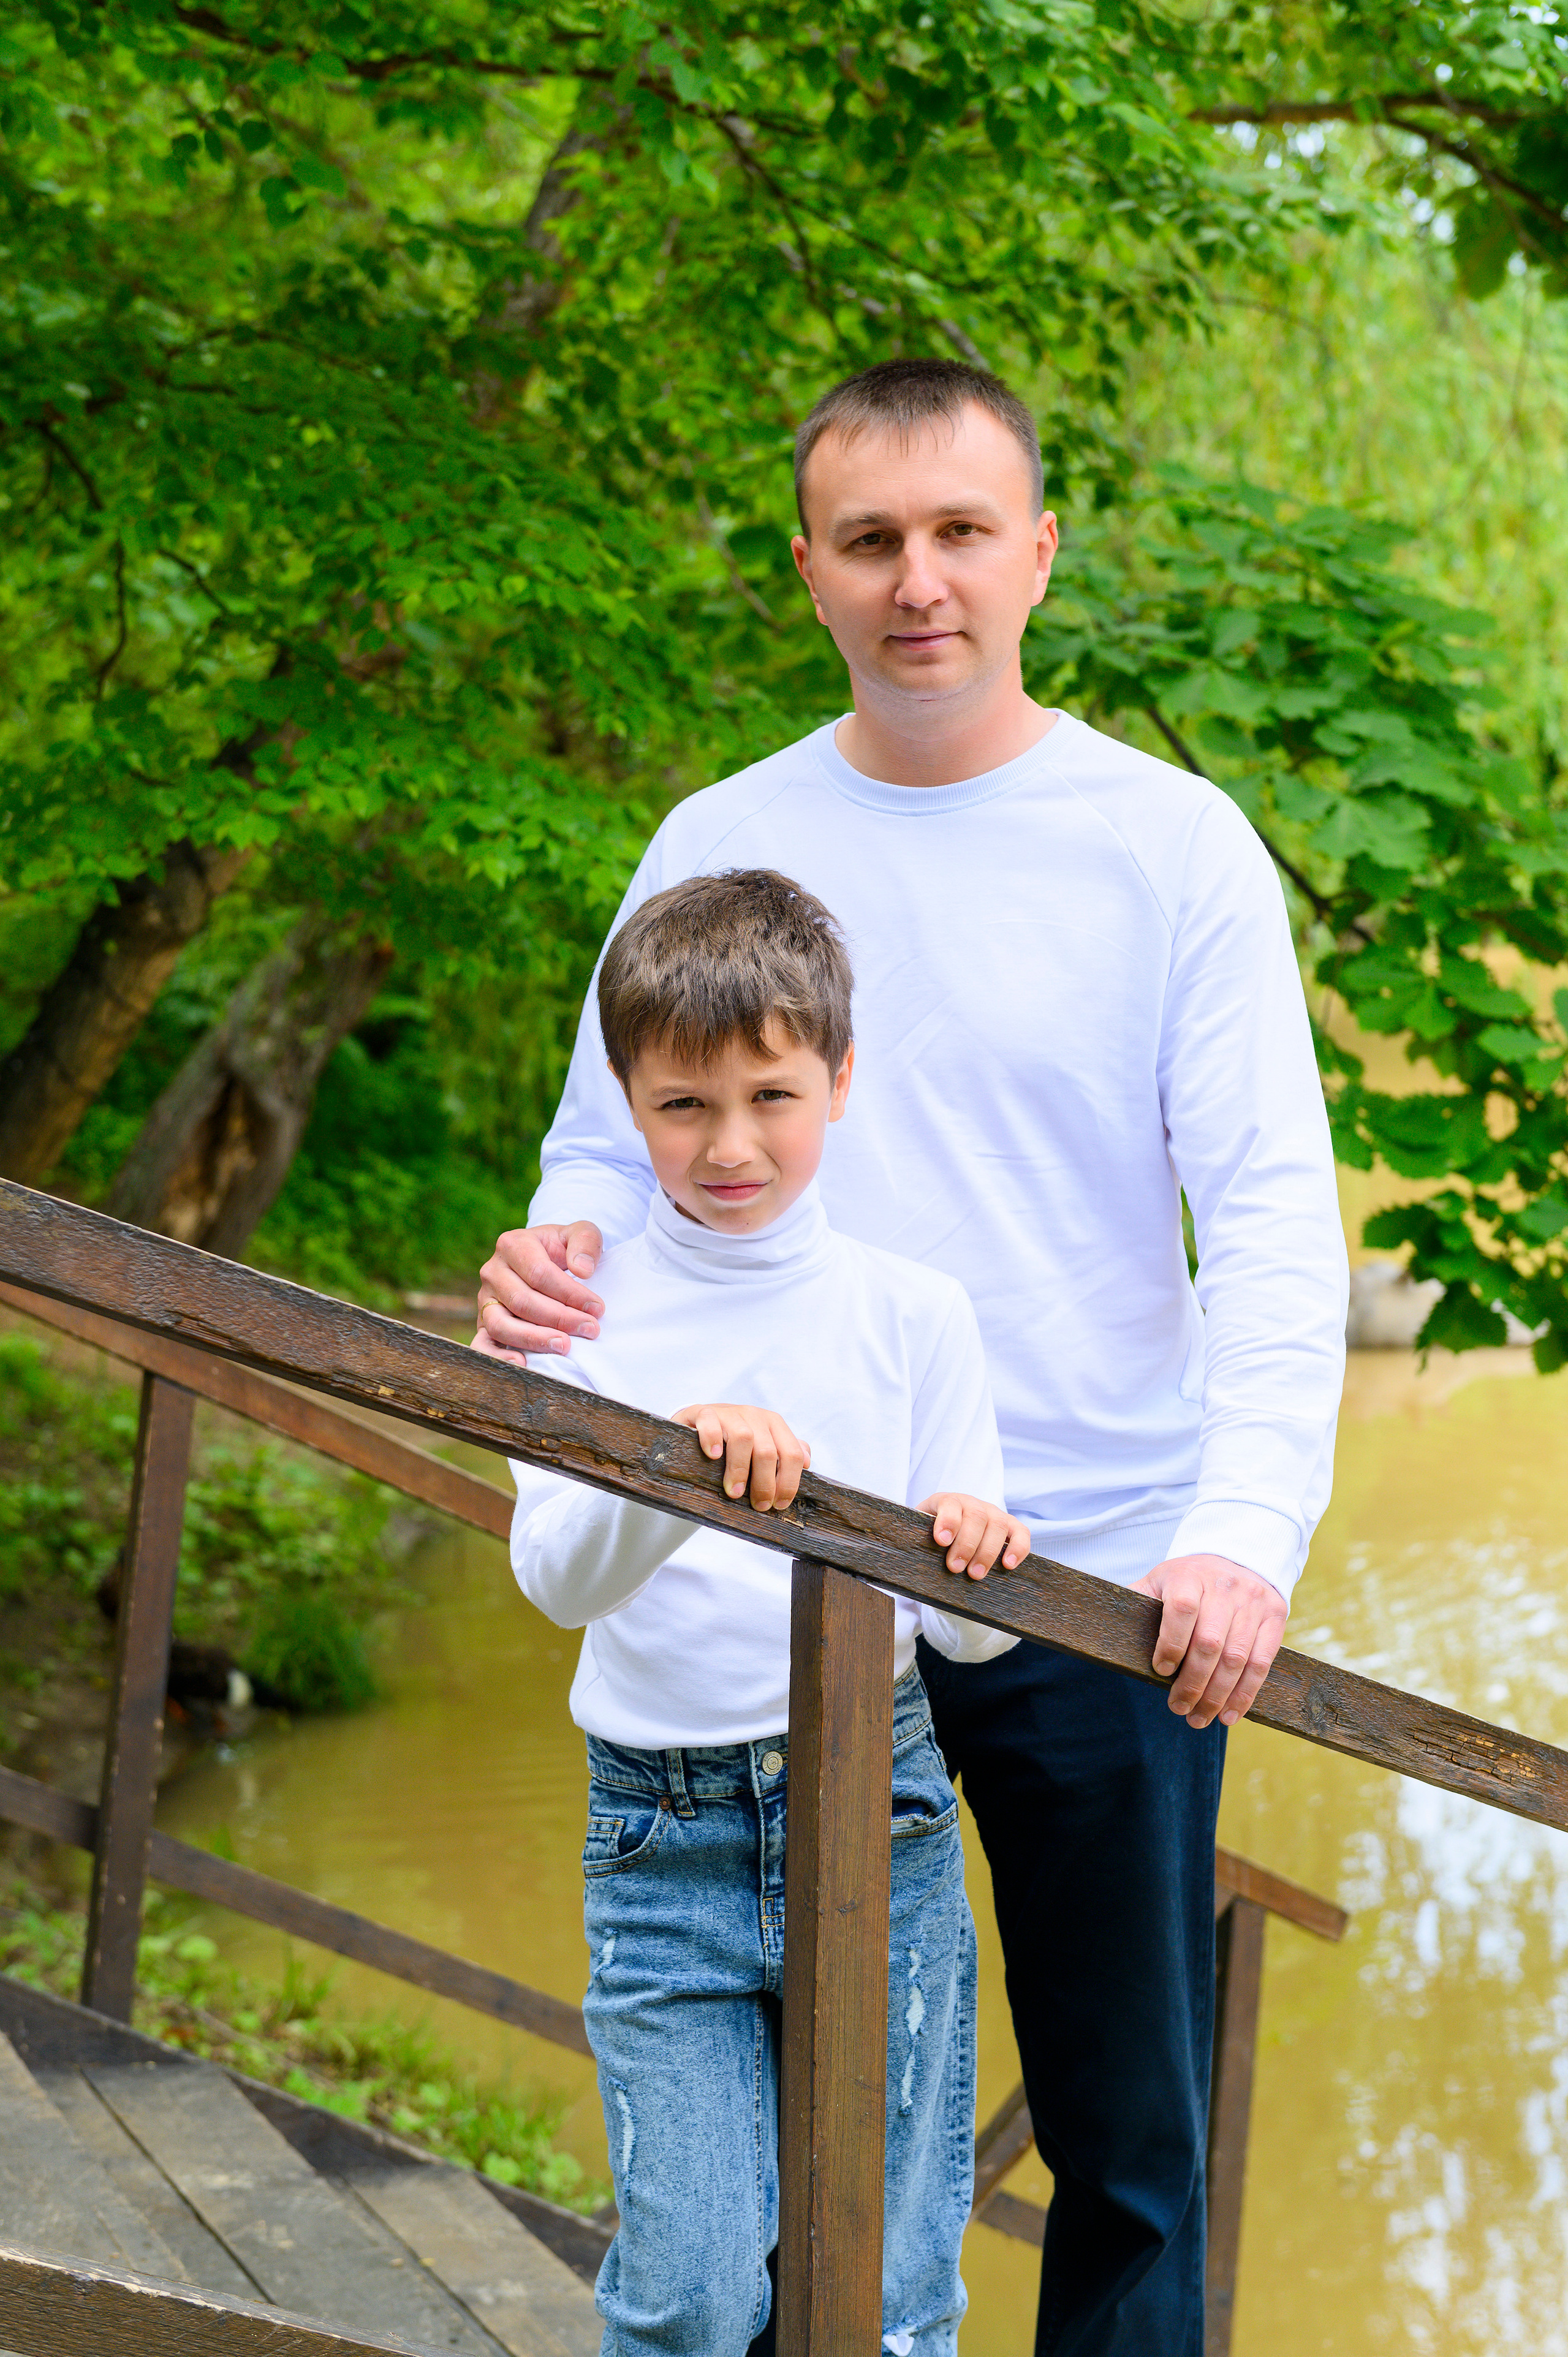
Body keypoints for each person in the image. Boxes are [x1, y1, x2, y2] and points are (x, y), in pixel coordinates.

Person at [477, 357, 1349, 2355]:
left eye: (962, 531)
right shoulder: (724, 828)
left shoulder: (1173, 846)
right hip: (771, 1582)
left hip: (1083, 1569)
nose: (919, 580)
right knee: (791, 2149)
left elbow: (1280, 1224)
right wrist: (556, 1272)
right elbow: (609, 1152)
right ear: (811, 572)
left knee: (1127, 2146)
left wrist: (1241, 1531)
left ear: (1040, 551)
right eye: (871, 539)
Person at [507, 866, 1029, 2356]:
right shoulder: (575, 1309)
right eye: (682, 1105)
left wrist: (974, 1556)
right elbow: (553, 1579)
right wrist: (674, 1463)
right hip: (659, 1833)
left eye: (770, 1096)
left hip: (882, 1812)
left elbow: (971, 1639)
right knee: (693, 2288)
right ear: (625, 1099)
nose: (729, 1145)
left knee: (887, 2291)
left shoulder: (913, 1313)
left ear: (841, 1081)